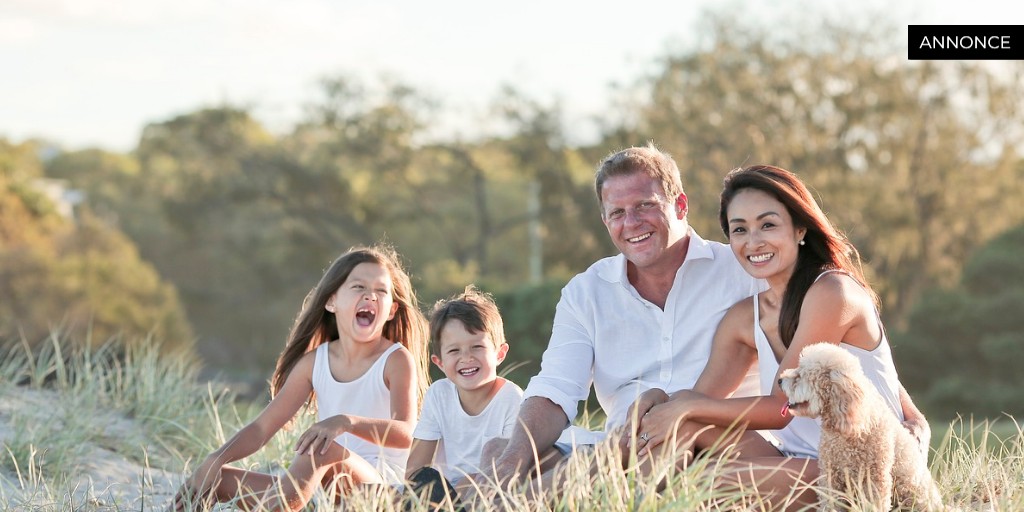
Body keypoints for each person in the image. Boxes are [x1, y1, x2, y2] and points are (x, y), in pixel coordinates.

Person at [629, 165, 930, 508]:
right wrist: (661, 400)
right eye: (740, 229)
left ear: (800, 229)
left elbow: (782, 407)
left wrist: (686, 406)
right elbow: (701, 401)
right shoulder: (744, 318)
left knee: (703, 482)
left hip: (858, 471)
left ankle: (655, 500)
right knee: (685, 427)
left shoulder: (833, 292)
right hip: (795, 457)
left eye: (767, 225)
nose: (753, 242)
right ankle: (634, 500)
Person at [484, 143, 770, 490]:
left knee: (660, 450)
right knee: (501, 451)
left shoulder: (744, 272)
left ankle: (514, 501)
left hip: (710, 441)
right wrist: (512, 461)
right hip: (618, 447)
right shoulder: (586, 291)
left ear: (681, 205)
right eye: (617, 212)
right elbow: (556, 388)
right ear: (605, 220)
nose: (631, 222)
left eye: (645, 206)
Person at [170, 245, 429, 512]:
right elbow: (261, 429)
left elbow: (407, 432)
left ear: (391, 310)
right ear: (332, 302)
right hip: (320, 491)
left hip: (381, 491)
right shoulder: (314, 363)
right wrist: (215, 459)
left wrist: (345, 422)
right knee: (211, 479)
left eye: (380, 290)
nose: (370, 296)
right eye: (359, 287)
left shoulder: (396, 360)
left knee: (319, 449)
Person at [404, 285, 524, 504]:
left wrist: (462, 489)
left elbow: (509, 471)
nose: (466, 357)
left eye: (477, 347)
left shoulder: (512, 399)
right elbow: (414, 469)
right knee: (409, 485)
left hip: (489, 496)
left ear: (500, 353)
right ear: (439, 362)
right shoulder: (439, 394)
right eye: (454, 350)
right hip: (443, 496)